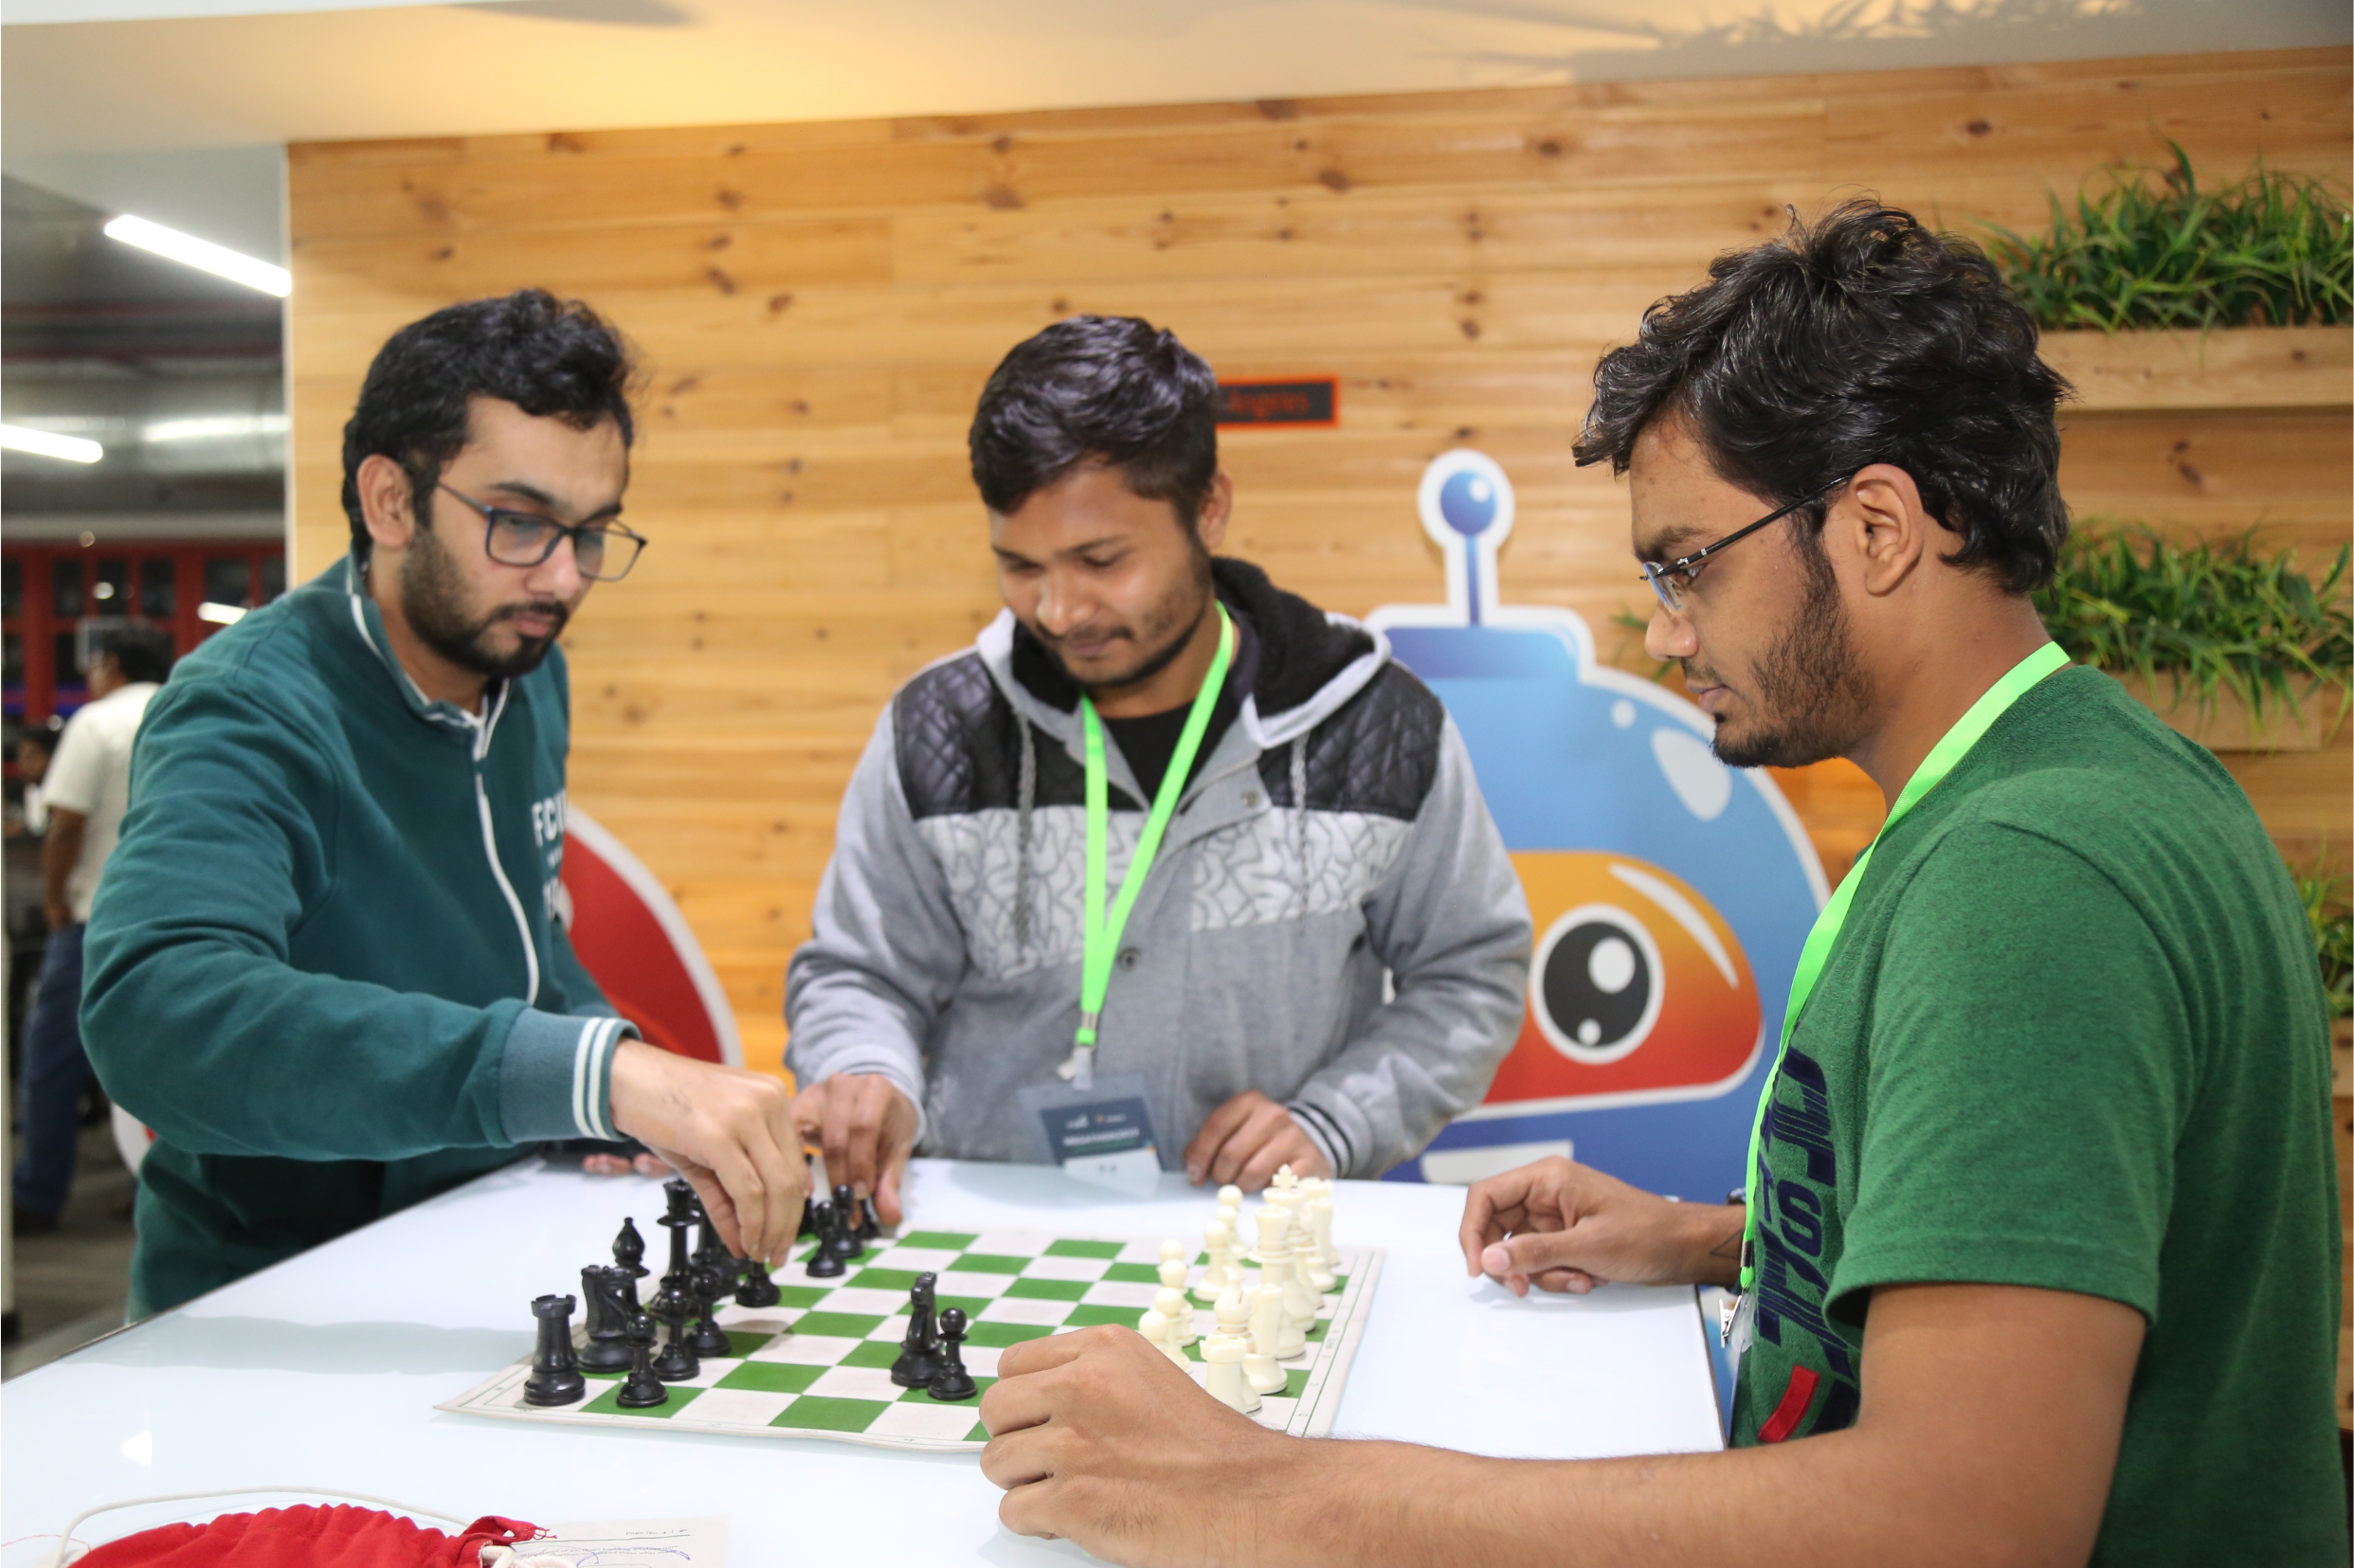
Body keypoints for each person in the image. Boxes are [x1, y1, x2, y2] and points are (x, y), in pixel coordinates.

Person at [971, 207, 2347, 1567]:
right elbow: (2054, 1248)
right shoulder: (2080, 780)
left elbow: (1959, 1515)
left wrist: (1268, 1489)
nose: (1669, 627)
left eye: (1688, 562)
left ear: (1876, 527)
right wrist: (1716, 1240)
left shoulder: (2026, 878)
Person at [82, 291, 806, 1317]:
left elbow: (518, 943)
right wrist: (591, 1074)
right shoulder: (247, 707)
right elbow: (156, 1014)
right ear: (389, 501)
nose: (563, 577)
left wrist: (618, 1072)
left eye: (593, 531)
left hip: (477, 1246)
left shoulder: (525, 668)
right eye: (520, 522)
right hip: (273, 1305)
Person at [787, 315, 1530, 1222]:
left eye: (1101, 560)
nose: (1060, 610)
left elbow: (1471, 973)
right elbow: (858, 974)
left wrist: (1337, 1120)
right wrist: (866, 1067)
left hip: (1253, 1244)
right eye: (1020, 566)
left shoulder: (1376, 722)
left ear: (1208, 507)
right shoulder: (936, 727)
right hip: (986, 1241)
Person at [10, 627, 172, 1232]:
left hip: (98, 918)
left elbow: (66, 824)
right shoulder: (189, 707)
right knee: (161, 1061)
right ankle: (159, 1186)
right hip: (177, 918)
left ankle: (38, 1191)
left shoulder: (97, 723)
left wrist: (55, 897)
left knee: (54, 1057)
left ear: (111, 664)